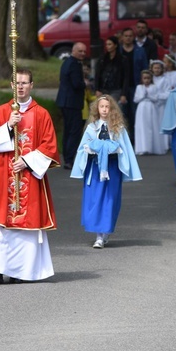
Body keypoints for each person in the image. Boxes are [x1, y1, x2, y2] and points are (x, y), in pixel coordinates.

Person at [0, 68, 60, 284]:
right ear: (12, 85)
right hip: (3, 175)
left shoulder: (41, 114)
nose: (21, 86)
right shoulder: (1, 111)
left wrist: (27, 160)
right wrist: (8, 126)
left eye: (25, 83)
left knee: (26, 224)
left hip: (29, 176)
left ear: (32, 85)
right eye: (18, 83)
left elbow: (50, 146)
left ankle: (21, 271)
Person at [70, 96, 142, 248]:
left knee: (109, 200)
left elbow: (124, 148)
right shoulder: (92, 127)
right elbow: (84, 147)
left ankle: (104, 233)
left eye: (107, 107)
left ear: (112, 109)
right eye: (101, 106)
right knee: (95, 200)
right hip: (95, 169)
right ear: (97, 108)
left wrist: (115, 149)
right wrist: (90, 149)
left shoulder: (118, 128)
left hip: (112, 169)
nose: (104, 109)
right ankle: (98, 234)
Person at [56, 42, 87, 170]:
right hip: (72, 102)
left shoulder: (67, 62)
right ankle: (69, 159)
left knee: (68, 131)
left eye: (84, 51)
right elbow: (76, 84)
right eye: (80, 51)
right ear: (73, 51)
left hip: (65, 101)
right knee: (74, 131)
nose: (83, 54)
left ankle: (67, 157)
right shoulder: (74, 65)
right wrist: (85, 83)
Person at [133, 70, 165, 155]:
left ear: (151, 79)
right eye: (144, 78)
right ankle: (143, 148)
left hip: (151, 107)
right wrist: (143, 95)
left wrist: (149, 96)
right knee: (142, 127)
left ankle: (152, 147)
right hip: (142, 108)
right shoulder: (139, 87)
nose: (146, 80)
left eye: (148, 78)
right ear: (142, 79)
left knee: (152, 126)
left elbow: (156, 98)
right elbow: (135, 99)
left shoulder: (154, 87)